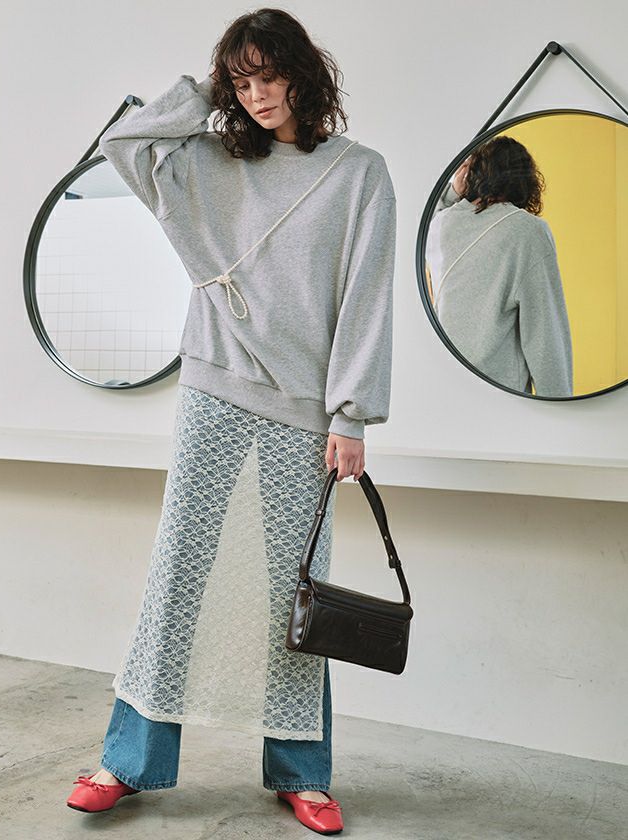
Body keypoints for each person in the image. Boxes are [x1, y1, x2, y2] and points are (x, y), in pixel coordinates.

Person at [65, 8, 396, 835]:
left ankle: (302, 772)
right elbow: (123, 144)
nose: (257, 96)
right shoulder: (213, 163)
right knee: (179, 567)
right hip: (214, 387)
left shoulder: (359, 174)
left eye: (268, 76)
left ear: (303, 74)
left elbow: (366, 297)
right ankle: (127, 761)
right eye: (240, 82)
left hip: (303, 406)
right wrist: (202, 93)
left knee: (297, 589)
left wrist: (351, 415)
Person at [426, 136, 573, 397]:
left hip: (442, 386)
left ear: (472, 175)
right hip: (501, 396)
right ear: (524, 179)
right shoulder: (526, 231)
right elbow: (544, 332)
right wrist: (560, 405)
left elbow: (429, 215)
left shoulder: (441, 225)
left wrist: (453, 191)